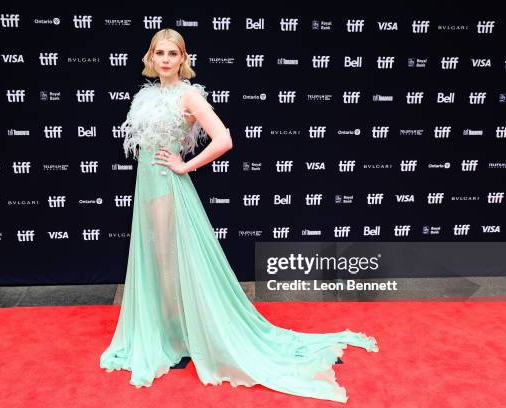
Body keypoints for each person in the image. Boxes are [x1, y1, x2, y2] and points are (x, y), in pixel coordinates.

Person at [99, 28, 379, 403]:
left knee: (172, 261)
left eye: (173, 53)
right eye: (160, 53)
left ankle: (186, 333)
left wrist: (186, 166)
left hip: (168, 186)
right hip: (146, 188)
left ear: (183, 59)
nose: (166, 59)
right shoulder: (146, 96)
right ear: (151, 57)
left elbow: (224, 140)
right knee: (156, 261)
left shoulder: (188, 96)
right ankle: (170, 331)